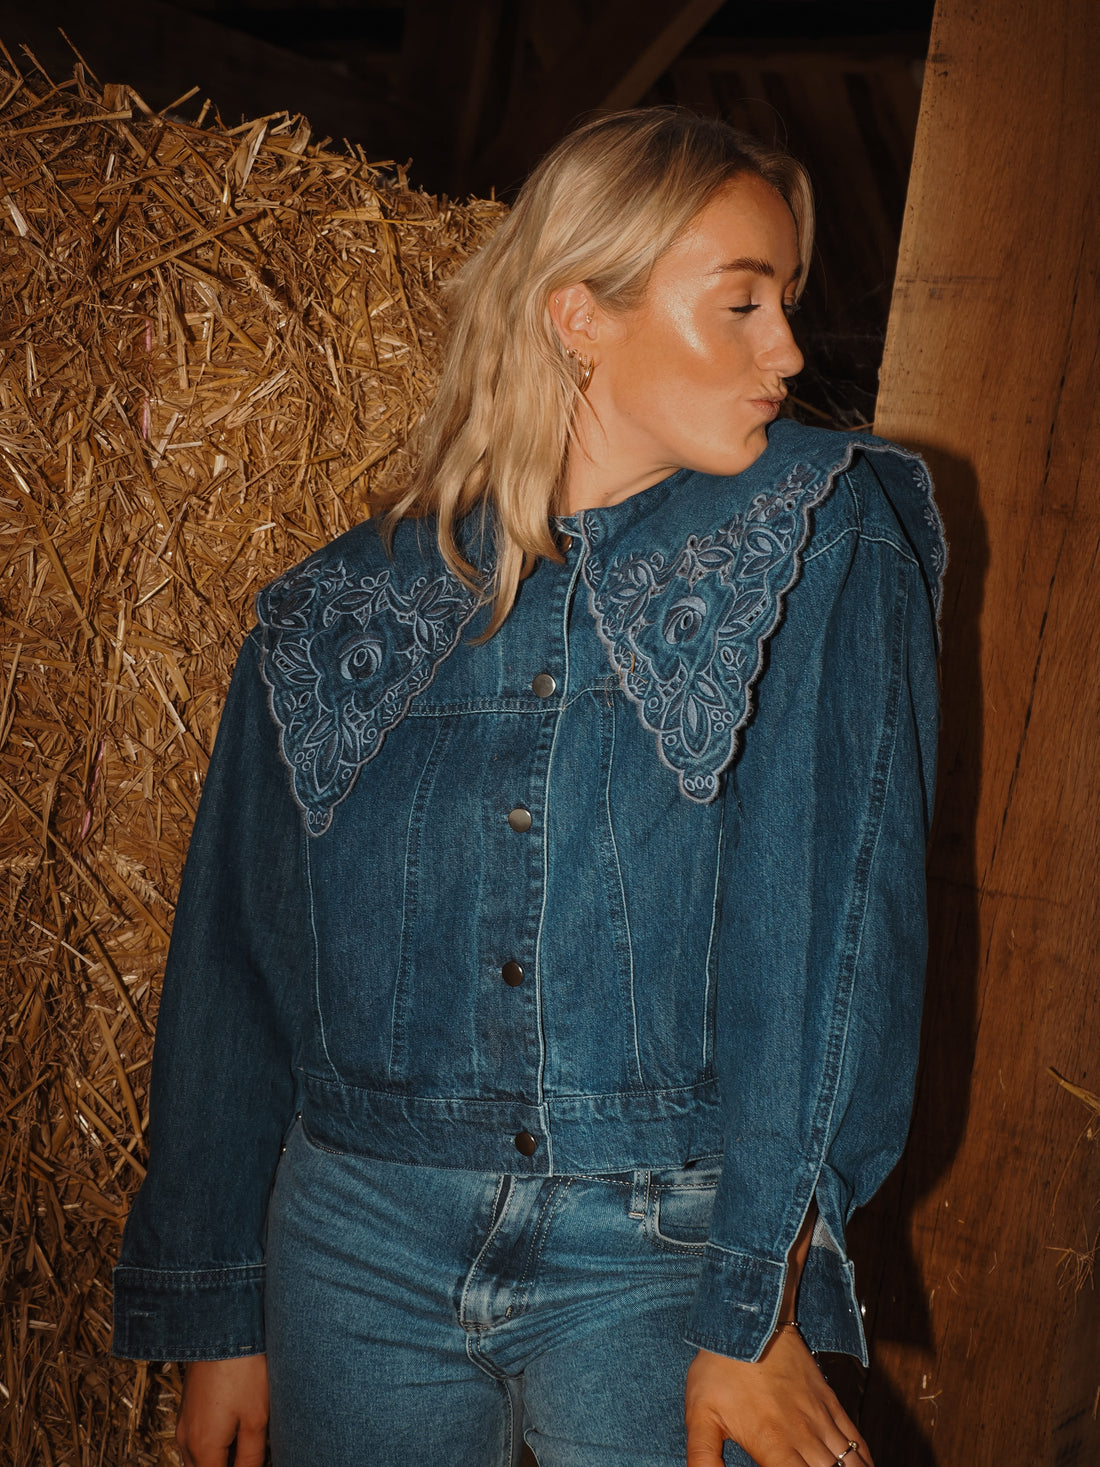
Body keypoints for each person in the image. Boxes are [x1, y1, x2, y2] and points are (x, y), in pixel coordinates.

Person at [112, 107, 944, 1467]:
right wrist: (222, 1309)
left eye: (786, 302)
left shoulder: (820, 531)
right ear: (579, 317)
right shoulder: (339, 600)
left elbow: (829, 934)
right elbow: (238, 961)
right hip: (352, 1248)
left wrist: (756, 1304)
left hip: (664, 1253)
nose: (789, 352)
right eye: (742, 303)